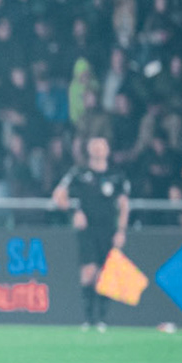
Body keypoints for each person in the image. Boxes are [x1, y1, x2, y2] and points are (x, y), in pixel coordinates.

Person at [54, 134, 131, 332]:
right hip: (87, 231)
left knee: (105, 273)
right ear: (88, 149)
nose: (98, 149)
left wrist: (121, 230)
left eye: (102, 145)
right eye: (95, 145)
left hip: (108, 230)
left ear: (108, 150)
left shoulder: (117, 176)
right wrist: (74, 211)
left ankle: (102, 319)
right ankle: (88, 319)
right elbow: (58, 195)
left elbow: (124, 205)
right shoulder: (78, 174)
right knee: (88, 272)